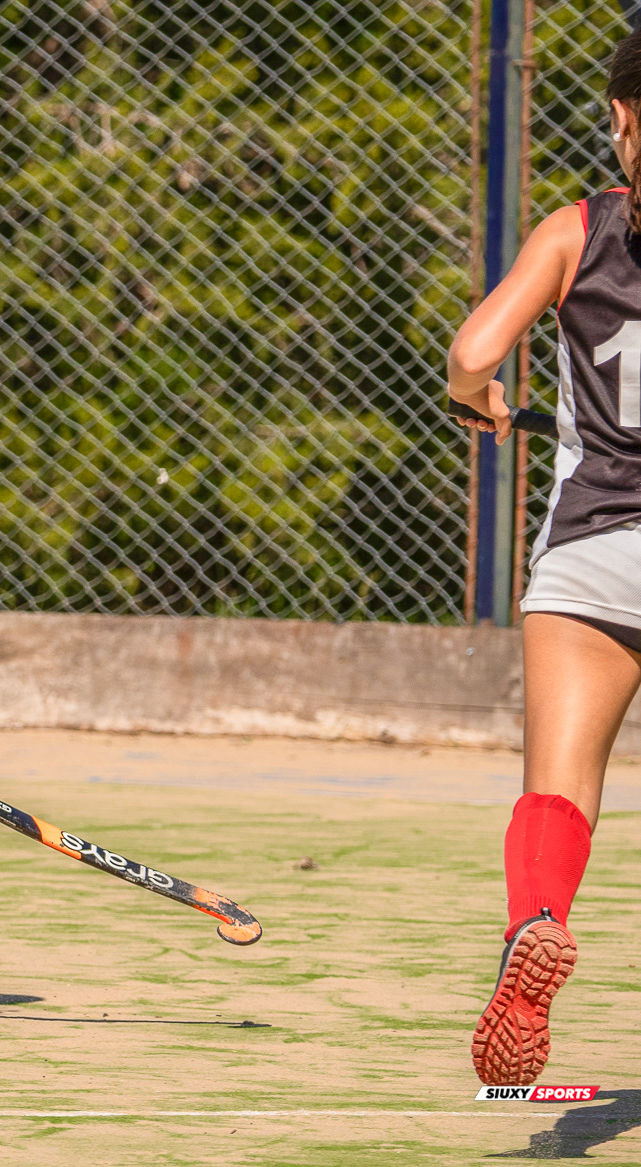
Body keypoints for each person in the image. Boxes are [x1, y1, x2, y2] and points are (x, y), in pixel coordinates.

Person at [449, 30, 641, 1087]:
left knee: (558, 790)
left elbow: (475, 352)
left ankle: (538, 920)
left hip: (595, 548)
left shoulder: (578, 231)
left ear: (620, 119)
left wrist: (478, 396)